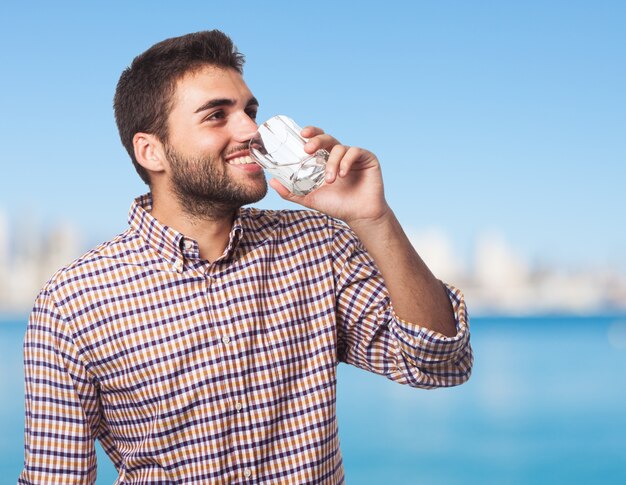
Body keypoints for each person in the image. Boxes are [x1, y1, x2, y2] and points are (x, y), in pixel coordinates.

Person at [20, 30, 473, 484]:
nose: (250, 130)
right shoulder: (71, 305)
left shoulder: (318, 246)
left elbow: (438, 363)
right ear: (150, 150)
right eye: (217, 115)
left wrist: (373, 217)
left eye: (249, 111)